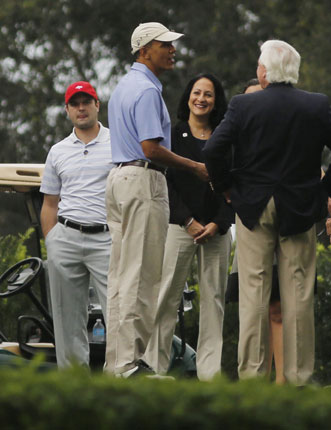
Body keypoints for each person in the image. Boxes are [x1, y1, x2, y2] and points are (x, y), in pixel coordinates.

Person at [203, 40, 331, 385]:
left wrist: (225, 187)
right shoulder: (316, 104)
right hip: (300, 207)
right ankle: (299, 377)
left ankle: (252, 377)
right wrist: (326, 189)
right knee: (299, 293)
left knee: (253, 293)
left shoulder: (244, 104)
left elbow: (214, 148)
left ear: (265, 70)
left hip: (253, 207)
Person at [105, 22, 207, 377]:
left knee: (121, 277)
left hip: (120, 178)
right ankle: (129, 363)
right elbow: (152, 148)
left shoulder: (124, 86)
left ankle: (117, 364)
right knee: (142, 276)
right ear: (144, 49)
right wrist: (195, 166)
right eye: (165, 44)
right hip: (142, 178)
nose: (172, 49)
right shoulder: (147, 90)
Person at [143, 73, 233, 379]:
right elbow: (165, 181)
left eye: (208, 94)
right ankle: (156, 365)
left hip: (216, 232)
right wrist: (188, 221)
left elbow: (234, 183)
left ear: (215, 100)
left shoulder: (226, 136)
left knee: (214, 301)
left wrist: (218, 223)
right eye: (197, 92)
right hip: (179, 228)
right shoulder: (173, 135)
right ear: (188, 97)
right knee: (166, 295)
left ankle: (208, 372)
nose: (202, 99)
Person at [40, 81, 113, 369]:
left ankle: (120, 381)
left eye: (86, 101)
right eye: (75, 103)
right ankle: (75, 390)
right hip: (66, 237)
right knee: (67, 319)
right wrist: (53, 242)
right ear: (68, 110)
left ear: (97, 105)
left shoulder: (118, 141)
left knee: (118, 313)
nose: (81, 108)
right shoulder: (57, 151)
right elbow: (49, 203)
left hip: (106, 238)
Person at [225, 78, 286, 384]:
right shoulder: (235, 141)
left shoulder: (284, 135)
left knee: (278, 306)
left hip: (281, 225)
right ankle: (253, 375)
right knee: (251, 306)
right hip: (248, 227)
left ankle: (283, 380)